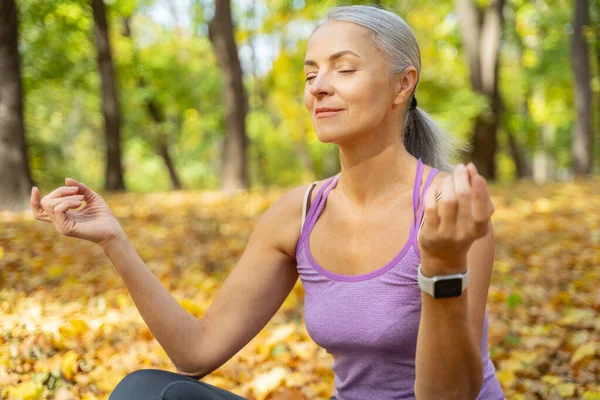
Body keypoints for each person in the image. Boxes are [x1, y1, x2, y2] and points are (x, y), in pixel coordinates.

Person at [30, 5, 505, 400]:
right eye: (310, 73)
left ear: (403, 85)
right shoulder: (300, 212)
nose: (319, 86)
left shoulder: (449, 204)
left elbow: (451, 396)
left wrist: (443, 264)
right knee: (146, 393)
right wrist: (114, 240)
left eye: (344, 68)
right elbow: (197, 351)